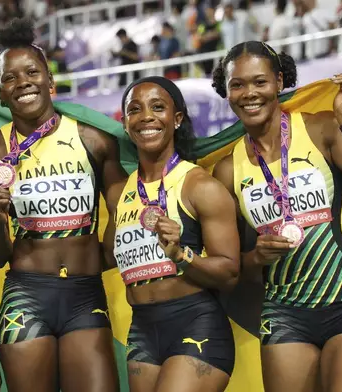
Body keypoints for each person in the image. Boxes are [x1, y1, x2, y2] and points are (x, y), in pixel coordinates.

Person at [211, 41, 342, 392]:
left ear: (279, 82)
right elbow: (233, 265)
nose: (248, 93)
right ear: (226, 90)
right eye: (237, 84)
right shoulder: (227, 170)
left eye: (259, 82)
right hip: (284, 311)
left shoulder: (321, 129)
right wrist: (257, 257)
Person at [0, 17, 125, 392]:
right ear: (1, 92)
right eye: (10, 77)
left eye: (32, 72)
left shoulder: (95, 141)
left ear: (50, 81)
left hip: (85, 294)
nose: (22, 82)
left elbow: (124, 211)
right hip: (26, 296)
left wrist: (102, 256)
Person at [103, 76, 240, 392]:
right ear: (125, 123)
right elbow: (107, 257)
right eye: (135, 109)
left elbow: (230, 272)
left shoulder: (200, 187)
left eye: (158, 107)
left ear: (176, 119)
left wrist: (182, 255)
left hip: (196, 323)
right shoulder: (118, 194)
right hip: (142, 330)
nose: (146, 116)